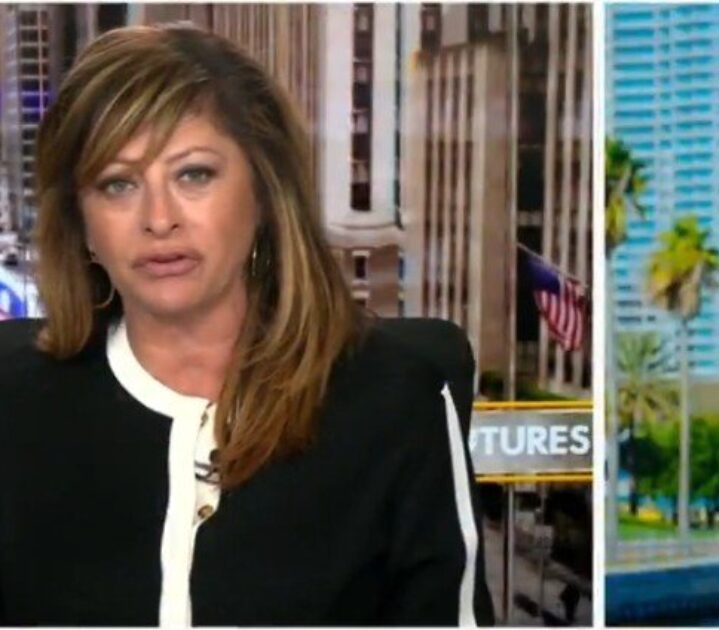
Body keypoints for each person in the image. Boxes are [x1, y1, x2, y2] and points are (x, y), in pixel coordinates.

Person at [0, 24, 494, 626]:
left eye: (193, 174)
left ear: (263, 192)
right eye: (118, 184)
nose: (159, 218)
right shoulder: (15, 406)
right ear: (81, 223)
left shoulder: (396, 404)